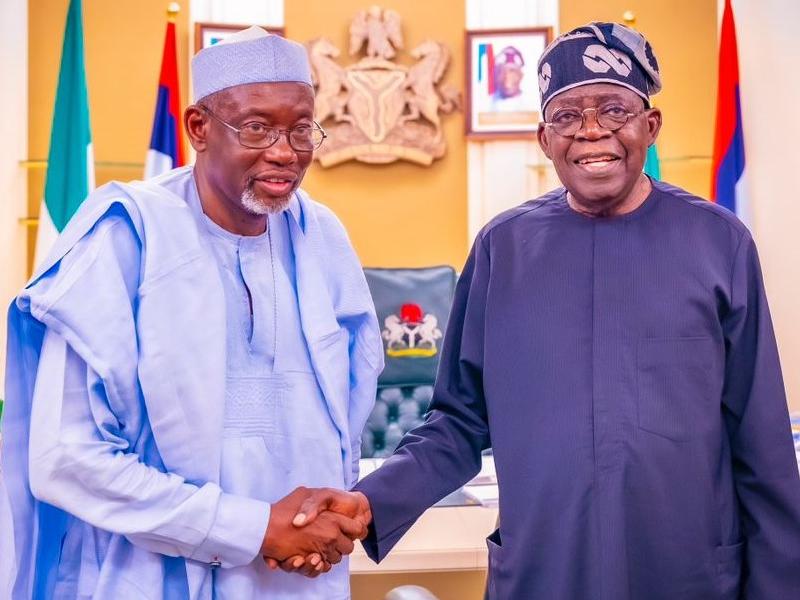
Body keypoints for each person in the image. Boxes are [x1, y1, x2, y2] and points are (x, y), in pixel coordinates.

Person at [288, 22, 800, 599]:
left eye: (614, 111)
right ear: (544, 138)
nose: (591, 132)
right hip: (545, 569)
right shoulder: (502, 250)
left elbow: (761, 444)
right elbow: (459, 421)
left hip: (686, 571)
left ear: (650, 126)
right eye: (567, 116)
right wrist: (368, 502)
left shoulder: (719, 243)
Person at [0, 27, 382, 599]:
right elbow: (66, 457)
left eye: (301, 128)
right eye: (257, 127)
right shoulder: (127, 236)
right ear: (199, 128)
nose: (285, 151)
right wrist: (253, 529)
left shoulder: (321, 235)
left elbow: (344, 421)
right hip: (147, 578)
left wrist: (325, 521)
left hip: (298, 581)